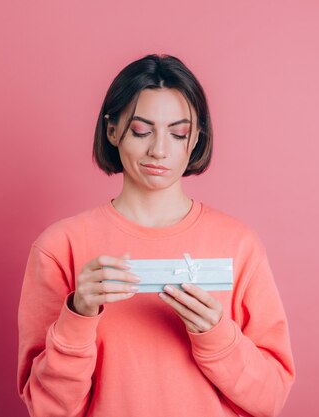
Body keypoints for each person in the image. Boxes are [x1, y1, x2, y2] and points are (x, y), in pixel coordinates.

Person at [17, 54, 295, 417]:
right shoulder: (60, 247)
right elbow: (47, 409)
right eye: (141, 130)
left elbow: (269, 399)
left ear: (195, 138)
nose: (159, 150)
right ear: (112, 129)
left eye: (178, 133)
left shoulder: (239, 245)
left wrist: (217, 336)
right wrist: (78, 314)